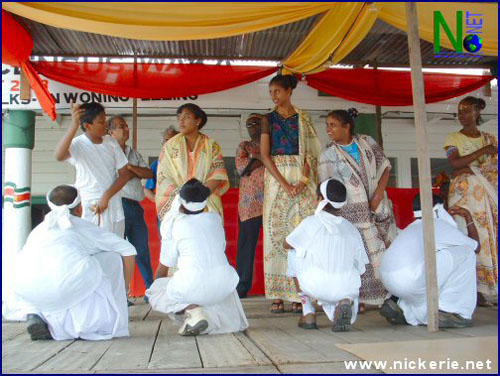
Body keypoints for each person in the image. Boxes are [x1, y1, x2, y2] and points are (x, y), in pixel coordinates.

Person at [2, 185, 136, 340]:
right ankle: (92, 325)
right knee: (111, 258)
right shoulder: (82, 226)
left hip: (25, 291)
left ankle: (40, 316)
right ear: (79, 208)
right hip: (63, 288)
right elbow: (128, 250)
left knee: (62, 271)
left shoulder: (39, 230)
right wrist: (124, 287)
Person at [319, 108, 397, 312]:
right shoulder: (328, 154)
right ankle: (358, 299)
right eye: (327, 125)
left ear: (347, 127)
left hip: (377, 206)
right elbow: (325, 187)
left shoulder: (367, 143)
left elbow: (385, 167)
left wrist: (378, 194)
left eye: (333, 125)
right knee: (357, 257)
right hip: (350, 215)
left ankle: (388, 296)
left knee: (382, 252)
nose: (328, 129)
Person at [146, 179, 248, 336]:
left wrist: (159, 287)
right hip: (224, 285)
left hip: (194, 284)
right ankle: (200, 316)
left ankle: (193, 310)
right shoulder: (215, 219)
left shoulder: (174, 224)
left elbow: (163, 268)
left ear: (180, 202)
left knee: (156, 291)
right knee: (209, 285)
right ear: (205, 202)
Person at [260, 74, 321, 313]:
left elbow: (312, 154)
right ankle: (277, 293)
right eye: (271, 92)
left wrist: (304, 181)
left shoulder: (303, 119)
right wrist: (285, 184)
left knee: (301, 233)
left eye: (277, 91)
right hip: (277, 179)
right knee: (276, 233)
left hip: (302, 178)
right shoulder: (267, 119)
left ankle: (300, 292)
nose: (273, 96)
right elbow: (265, 156)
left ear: (289, 92)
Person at [379, 194, 480, 328]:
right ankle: (454, 311)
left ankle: (403, 308)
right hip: (409, 281)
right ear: (439, 209)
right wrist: (468, 216)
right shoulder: (438, 225)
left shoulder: (410, 228)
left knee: (430, 260)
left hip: (389, 282)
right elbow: (476, 247)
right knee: (466, 253)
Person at [284, 179, 369, 331]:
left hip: (315, 285)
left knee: (293, 251)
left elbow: (286, 244)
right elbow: (361, 267)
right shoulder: (351, 228)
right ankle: (344, 301)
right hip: (347, 287)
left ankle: (308, 311)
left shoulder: (310, 223)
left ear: (320, 199)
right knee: (349, 267)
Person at [444, 96, 498, 306]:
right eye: (460, 111)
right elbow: (455, 163)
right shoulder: (453, 138)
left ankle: (488, 288)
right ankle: (471, 288)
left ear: (477, 112)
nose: (462, 115)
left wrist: (472, 168)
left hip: (487, 197)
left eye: (467, 111)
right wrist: (482, 154)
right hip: (464, 196)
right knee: (465, 238)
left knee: (488, 238)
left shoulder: (490, 138)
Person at [54, 102, 131, 237]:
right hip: (89, 204)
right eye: (101, 122)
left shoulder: (111, 142)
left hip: (112, 202)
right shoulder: (78, 144)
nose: (106, 124)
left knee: (115, 245)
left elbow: (124, 175)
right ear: (87, 126)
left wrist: (106, 196)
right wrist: (74, 125)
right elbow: (59, 156)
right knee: (92, 245)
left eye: (105, 119)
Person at [155, 104, 229, 222]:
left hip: (205, 202)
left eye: (187, 117)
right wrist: (185, 197)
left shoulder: (211, 146)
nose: (181, 121)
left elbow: (217, 174)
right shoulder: (169, 146)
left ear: (198, 121)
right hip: (179, 204)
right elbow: (163, 176)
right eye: (179, 117)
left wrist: (200, 195)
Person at [108, 116, 155, 296]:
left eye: (126, 126)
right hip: (117, 205)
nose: (126, 129)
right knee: (118, 253)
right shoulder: (106, 153)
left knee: (142, 249)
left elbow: (149, 173)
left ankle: (150, 291)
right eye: (121, 127)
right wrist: (129, 172)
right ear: (111, 133)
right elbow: (117, 178)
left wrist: (130, 168)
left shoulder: (133, 153)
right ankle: (120, 294)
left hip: (135, 207)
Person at [235, 114, 265, 298]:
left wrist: (258, 158)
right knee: (246, 247)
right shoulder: (244, 146)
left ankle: (281, 287)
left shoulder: (276, 144)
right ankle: (242, 287)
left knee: (279, 245)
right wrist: (263, 158)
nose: (252, 127)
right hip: (249, 204)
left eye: (256, 123)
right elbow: (243, 169)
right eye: (249, 124)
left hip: (273, 202)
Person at [144, 126, 179, 235]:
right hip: (164, 213)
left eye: (173, 140)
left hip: (182, 212)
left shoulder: (185, 164)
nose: (169, 143)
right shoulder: (156, 165)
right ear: (162, 144)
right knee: (166, 242)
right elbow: (147, 190)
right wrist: (159, 201)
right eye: (167, 140)